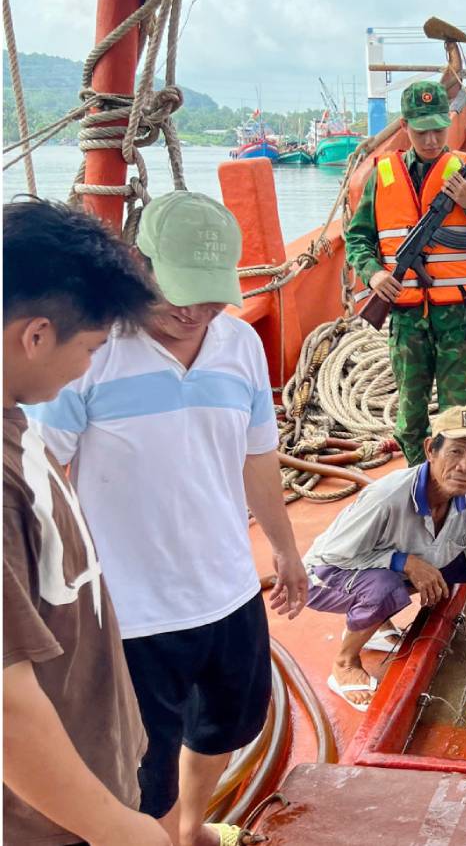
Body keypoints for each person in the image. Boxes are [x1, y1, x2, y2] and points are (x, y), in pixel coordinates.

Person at [26, 192, 310, 846]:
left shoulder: (239, 345)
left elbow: (257, 456)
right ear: (136, 262)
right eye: (177, 290)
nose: (191, 311)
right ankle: (157, 828)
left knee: (231, 724)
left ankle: (186, 825)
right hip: (132, 609)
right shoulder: (88, 353)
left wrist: (285, 549)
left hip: (228, 585)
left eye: (208, 296)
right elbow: (43, 477)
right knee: (143, 764)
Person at [3, 199, 170, 846]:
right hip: (51, 826)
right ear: (37, 335)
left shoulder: (18, 422)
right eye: (93, 347)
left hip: (87, 796)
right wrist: (117, 829)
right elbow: (6, 707)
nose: (90, 367)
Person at [303, 405, 466, 711]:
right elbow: (334, 556)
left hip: (369, 569)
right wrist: (403, 562)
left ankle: (375, 625)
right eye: (456, 451)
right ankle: (345, 661)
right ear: (430, 450)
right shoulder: (387, 497)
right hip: (323, 577)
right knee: (384, 587)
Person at [345, 80, 466, 466]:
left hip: (459, 318)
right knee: (409, 423)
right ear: (405, 126)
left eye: (439, 128)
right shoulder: (382, 176)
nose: (432, 138)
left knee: (456, 421)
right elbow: (357, 237)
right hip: (406, 320)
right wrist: (373, 274)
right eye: (422, 130)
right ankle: (420, 483)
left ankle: (451, 492)